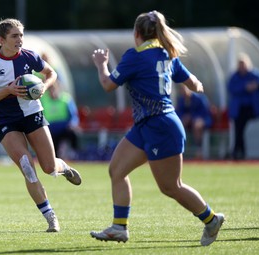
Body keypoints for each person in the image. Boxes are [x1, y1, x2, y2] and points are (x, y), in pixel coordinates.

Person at [90, 10, 224, 246]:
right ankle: (119, 227)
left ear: (137, 33)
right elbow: (194, 83)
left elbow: (108, 84)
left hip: (160, 126)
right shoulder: (167, 54)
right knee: (117, 171)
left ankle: (211, 219)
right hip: (148, 125)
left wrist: (101, 64)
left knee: (171, 187)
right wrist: (199, 87)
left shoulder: (136, 55)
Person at [0, 18, 82, 232]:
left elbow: (52, 74)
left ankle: (63, 167)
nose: (20, 40)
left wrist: (44, 85)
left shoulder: (29, 56)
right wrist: (8, 90)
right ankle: (51, 217)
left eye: (21, 35)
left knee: (49, 168)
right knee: (27, 167)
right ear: (1, 39)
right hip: (6, 120)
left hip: (32, 114)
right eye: (15, 36)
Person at [227, 53, 259, 160]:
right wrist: (245, 87)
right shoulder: (235, 77)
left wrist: (255, 85)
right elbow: (231, 88)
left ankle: (237, 152)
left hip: (252, 109)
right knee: (239, 130)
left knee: (241, 130)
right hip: (239, 109)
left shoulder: (253, 75)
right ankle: (238, 153)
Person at [41, 80, 80, 160]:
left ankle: (74, 154)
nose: (52, 91)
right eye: (50, 89)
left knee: (74, 133)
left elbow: (74, 116)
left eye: (54, 89)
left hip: (64, 128)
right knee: (54, 153)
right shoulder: (44, 100)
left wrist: (73, 124)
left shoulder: (66, 99)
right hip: (51, 129)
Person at [176, 84, 213, 159]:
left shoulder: (200, 98)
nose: (184, 92)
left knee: (197, 125)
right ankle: (179, 150)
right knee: (177, 125)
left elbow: (206, 113)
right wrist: (184, 118)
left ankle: (199, 149)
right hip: (189, 122)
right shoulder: (181, 100)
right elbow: (178, 113)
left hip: (203, 120)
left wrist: (193, 117)